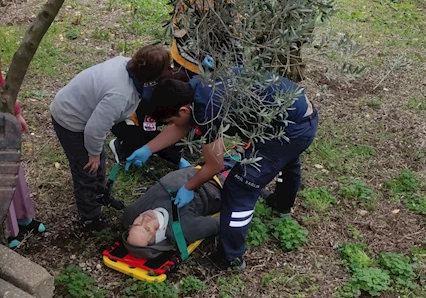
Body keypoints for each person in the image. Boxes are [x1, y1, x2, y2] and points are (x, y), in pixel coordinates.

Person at [126, 71, 318, 271]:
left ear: (183, 110)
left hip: (292, 128)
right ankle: (282, 204)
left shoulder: (207, 110)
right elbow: (183, 125)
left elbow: (215, 165)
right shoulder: (194, 88)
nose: (171, 125)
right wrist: (148, 149)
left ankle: (230, 258)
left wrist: (189, 187)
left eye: (170, 121)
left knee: (239, 187)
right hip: (294, 113)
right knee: (287, 157)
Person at [50, 45, 171, 232]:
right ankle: (90, 218)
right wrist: (92, 155)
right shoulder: (119, 95)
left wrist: (96, 153)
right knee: (86, 169)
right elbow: (94, 129)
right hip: (70, 119)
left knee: (99, 158)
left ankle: (100, 193)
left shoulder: (124, 63)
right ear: (151, 77)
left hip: (81, 110)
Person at [0, 4, 39, 246]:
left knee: (13, 171)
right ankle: (9, 229)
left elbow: (3, 86)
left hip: (3, 121)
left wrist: (16, 113)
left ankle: (23, 217)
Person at [122, 167, 226, 256]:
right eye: (147, 228)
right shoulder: (186, 229)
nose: (144, 219)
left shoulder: (132, 212)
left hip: (194, 169)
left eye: (137, 224)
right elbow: (223, 221)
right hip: (215, 184)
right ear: (159, 234)